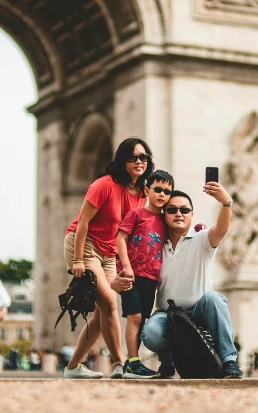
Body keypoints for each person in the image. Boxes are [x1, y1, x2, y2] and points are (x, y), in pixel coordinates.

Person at [62, 138, 153, 379]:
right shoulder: (103, 185)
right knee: (110, 304)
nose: (139, 161)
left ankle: (72, 368)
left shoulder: (143, 193)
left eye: (143, 157)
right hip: (84, 246)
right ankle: (122, 364)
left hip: (109, 254)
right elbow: (83, 223)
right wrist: (78, 260)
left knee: (101, 311)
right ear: (122, 160)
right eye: (133, 157)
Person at [136, 186, 244, 379]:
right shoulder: (155, 246)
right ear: (164, 214)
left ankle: (230, 362)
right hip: (167, 315)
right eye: (172, 210)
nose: (179, 213)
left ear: (191, 215)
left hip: (200, 311)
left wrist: (226, 203)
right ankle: (167, 361)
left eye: (184, 210)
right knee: (151, 333)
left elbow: (222, 228)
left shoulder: (203, 238)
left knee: (214, 299)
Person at [116, 169, 174, 379]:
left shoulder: (165, 222)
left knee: (142, 321)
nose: (162, 195)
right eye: (157, 189)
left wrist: (198, 227)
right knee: (135, 317)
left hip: (151, 279)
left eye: (167, 191)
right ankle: (132, 362)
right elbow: (120, 239)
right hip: (131, 276)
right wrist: (126, 266)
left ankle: (132, 363)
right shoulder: (136, 214)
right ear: (147, 190)